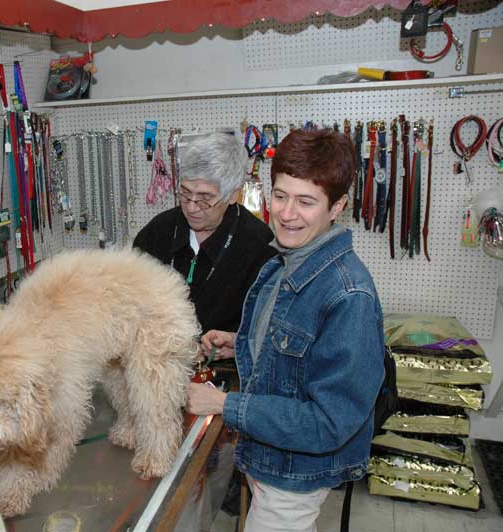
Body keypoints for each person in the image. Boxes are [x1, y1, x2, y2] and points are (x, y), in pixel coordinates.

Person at [186, 129, 385, 532]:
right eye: (280, 196)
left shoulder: (349, 296)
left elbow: (329, 422)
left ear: (337, 206)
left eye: (306, 201)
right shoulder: (283, 262)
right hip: (267, 458)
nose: (286, 213)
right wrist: (240, 341)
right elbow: (292, 351)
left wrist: (225, 406)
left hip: (294, 476)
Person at [133, 131, 276, 334]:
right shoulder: (158, 232)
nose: (191, 207)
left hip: (225, 364)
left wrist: (233, 342)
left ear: (234, 194)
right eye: (185, 192)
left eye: (205, 198)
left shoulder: (259, 246)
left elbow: (261, 332)